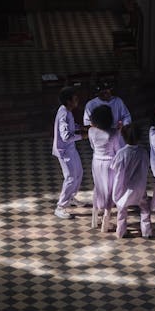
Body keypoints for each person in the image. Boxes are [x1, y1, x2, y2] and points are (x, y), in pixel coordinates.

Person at [110, 123, 152, 239]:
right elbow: (147, 165)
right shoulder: (143, 152)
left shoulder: (121, 153)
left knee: (122, 209)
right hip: (139, 187)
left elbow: (114, 167)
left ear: (123, 136)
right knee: (144, 208)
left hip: (123, 187)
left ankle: (121, 231)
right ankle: (146, 231)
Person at [52, 86, 87, 218]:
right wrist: (83, 136)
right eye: (75, 99)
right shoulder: (64, 114)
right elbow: (66, 136)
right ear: (68, 101)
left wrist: (81, 127)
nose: (77, 100)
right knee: (71, 177)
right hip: (65, 151)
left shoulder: (67, 110)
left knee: (79, 173)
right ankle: (60, 206)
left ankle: (71, 197)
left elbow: (71, 127)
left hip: (70, 149)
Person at [89, 103, 124, 232]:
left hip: (96, 161)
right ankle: (106, 219)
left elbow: (93, 146)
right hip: (110, 164)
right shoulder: (114, 133)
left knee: (97, 188)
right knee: (109, 190)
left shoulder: (91, 131)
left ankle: (94, 218)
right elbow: (117, 150)